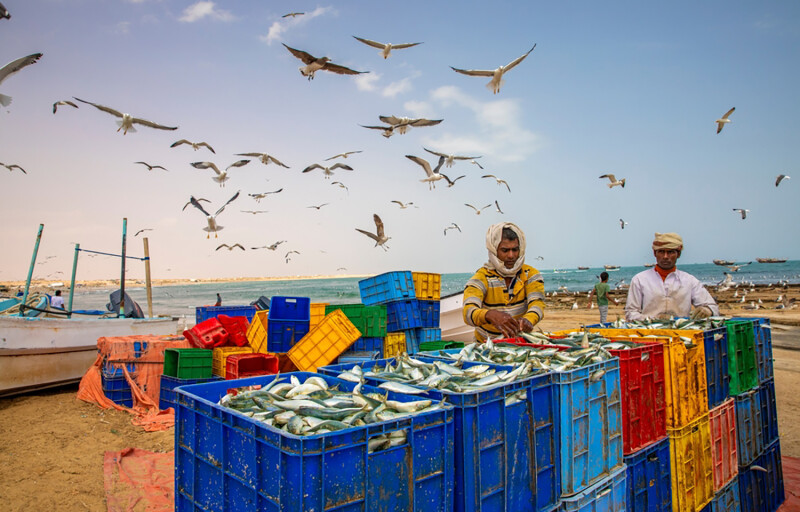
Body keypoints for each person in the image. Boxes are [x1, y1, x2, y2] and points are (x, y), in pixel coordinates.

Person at [462, 222, 545, 341]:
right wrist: (489, 315)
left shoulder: (531, 275)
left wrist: (528, 319)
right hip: (485, 346)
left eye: (515, 250)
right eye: (505, 250)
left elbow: (537, 304)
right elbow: (468, 312)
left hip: (520, 344)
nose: (511, 255)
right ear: (494, 250)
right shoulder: (481, 278)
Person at [625, 232, 719, 321]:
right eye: (661, 252)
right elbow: (631, 313)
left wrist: (707, 310)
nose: (665, 256)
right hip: (649, 333)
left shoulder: (689, 281)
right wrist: (653, 319)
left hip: (682, 333)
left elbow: (712, 307)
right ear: (655, 253)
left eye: (670, 252)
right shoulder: (640, 280)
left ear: (678, 254)